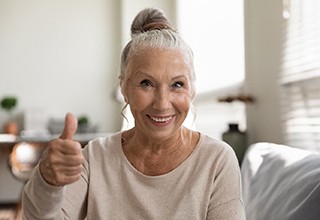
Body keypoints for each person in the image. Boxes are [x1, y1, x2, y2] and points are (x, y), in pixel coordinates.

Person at [22, 8, 245, 219]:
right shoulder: (95, 157)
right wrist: (48, 182)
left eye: (177, 85)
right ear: (124, 88)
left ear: (192, 89)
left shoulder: (217, 160)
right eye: (146, 83)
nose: (162, 104)